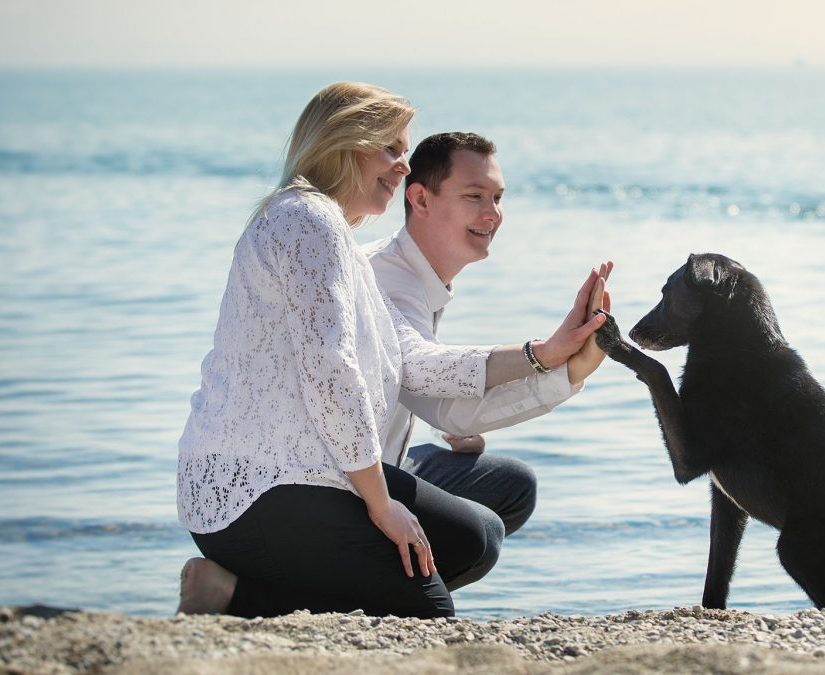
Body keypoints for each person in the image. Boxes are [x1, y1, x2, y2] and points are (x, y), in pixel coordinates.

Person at [175, 82, 610, 619]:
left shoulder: (331, 233)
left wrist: (556, 361)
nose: (403, 167)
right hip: (269, 487)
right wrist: (382, 505)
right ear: (344, 143)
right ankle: (234, 593)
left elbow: (412, 371)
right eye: (391, 149)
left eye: (404, 152)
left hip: (299, 476)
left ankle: (260, 589)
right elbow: (334, 375)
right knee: (435, 603)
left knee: (478, 532)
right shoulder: (309, 221)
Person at [365, 133, 593, 581]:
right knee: (478, 536)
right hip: (349, 476)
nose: (492, 214)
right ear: (420, 199)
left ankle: (394, 582)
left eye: (497, 197)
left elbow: (435, 401)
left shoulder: (420, 279)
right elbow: (422, 366)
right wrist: (545, 357)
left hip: (392, 457)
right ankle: (383, 591)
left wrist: (571, 370)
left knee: (511, 484)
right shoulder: (384, 278)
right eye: (474, 196)